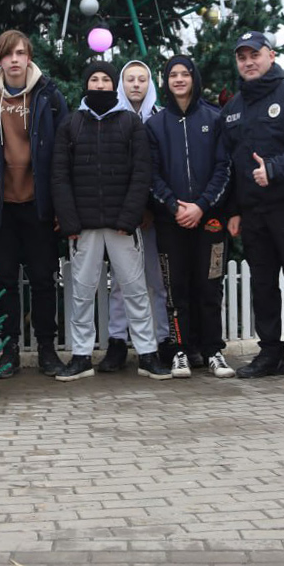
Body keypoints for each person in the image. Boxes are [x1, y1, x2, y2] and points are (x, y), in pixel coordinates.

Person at [51, 62, 172, 382]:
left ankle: (147, 354)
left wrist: (129, 216)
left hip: (122, 226)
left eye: (106, 79)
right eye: (95, 79)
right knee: (81, 292)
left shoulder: (130, 124)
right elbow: (59, 177)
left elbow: (141, 173)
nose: (101, 84)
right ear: (87, 84)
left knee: (135, 289)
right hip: (84, 227)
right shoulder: (71, 124)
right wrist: (70, 221)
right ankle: (80, 356)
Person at [220, 30, 284, 384]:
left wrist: (276, 169)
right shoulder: (232, 107)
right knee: (262, 284)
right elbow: (230, 165)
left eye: (255, 55)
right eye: (242, 57)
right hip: (253, 212)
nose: (248, 62)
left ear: (271, 56)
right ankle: (270, 354)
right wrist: (233, 208)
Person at [0, 30, 68, 377]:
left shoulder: (50, 95)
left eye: (21, 53)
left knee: (44, 279)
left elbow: (62, 153)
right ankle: (7, 348)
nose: (14, 60)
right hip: (1, 206)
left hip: (39, 205)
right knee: (4, 281)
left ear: (29, 58)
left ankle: (46, 349)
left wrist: (61, 206)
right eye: (8, 54)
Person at [146, 55, 234, 379]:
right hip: (171, 221)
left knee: (210, 287)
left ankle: (213, 351)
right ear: (166, 81)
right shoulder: (154, 125)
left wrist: (202, 205)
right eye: (173, 75)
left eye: (185, 74)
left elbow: (225, 167)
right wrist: (175, 206)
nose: (180, 79)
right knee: (175, 288)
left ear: (194, 78)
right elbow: (151, 174)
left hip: (210, 221)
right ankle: (180, 351)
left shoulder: (215, 117)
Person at [99, 60, 172, 373]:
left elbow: (159, 168)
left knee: (155, 280)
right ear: (121, 84)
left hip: (155, 213)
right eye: (130, 79)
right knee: (120, 281)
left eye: (142, 79)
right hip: (120, 213)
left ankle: (161, 339)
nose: (136, 85)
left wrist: (151, 208)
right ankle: (117, 339)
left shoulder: (160, 118)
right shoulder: (110, 118)